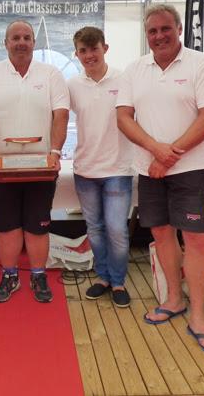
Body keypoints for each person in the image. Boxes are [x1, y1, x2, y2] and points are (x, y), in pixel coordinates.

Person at [117, 4, 204, 356]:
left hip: (192, 170)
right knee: (161, 234)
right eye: (153, 31)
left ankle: (198, 315)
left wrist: (171, 153)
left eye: (166, 29)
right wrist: (155, 150)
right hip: (149, 167)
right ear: (146, 35)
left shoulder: (202, 65)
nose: (160, 36)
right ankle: (174, 299)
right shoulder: (135, 69)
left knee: (195, 240)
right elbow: (124, 117)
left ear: (179, 28)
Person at [0, 20, 69, 303]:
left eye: (27, 37)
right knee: (6, 226)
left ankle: (38, 275)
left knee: (38, 225)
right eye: (15, 38)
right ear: (5, 43)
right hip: (1, 165)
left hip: (41, 165)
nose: (21, 42)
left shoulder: (51, 74)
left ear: (34, 42)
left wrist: (55, 152)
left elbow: (61, 114)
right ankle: (10, 275)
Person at [68, 26, 134, 308]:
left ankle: (118, 280)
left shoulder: (125, 80)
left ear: (105, 48)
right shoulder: (72, 85)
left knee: (117, 229)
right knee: (94, 229)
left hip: (118, 168)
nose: (89, 55)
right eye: (83, 50)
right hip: (84, 169)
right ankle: (103, 277)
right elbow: (57, 118)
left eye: (94, 49)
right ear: (77, 54)